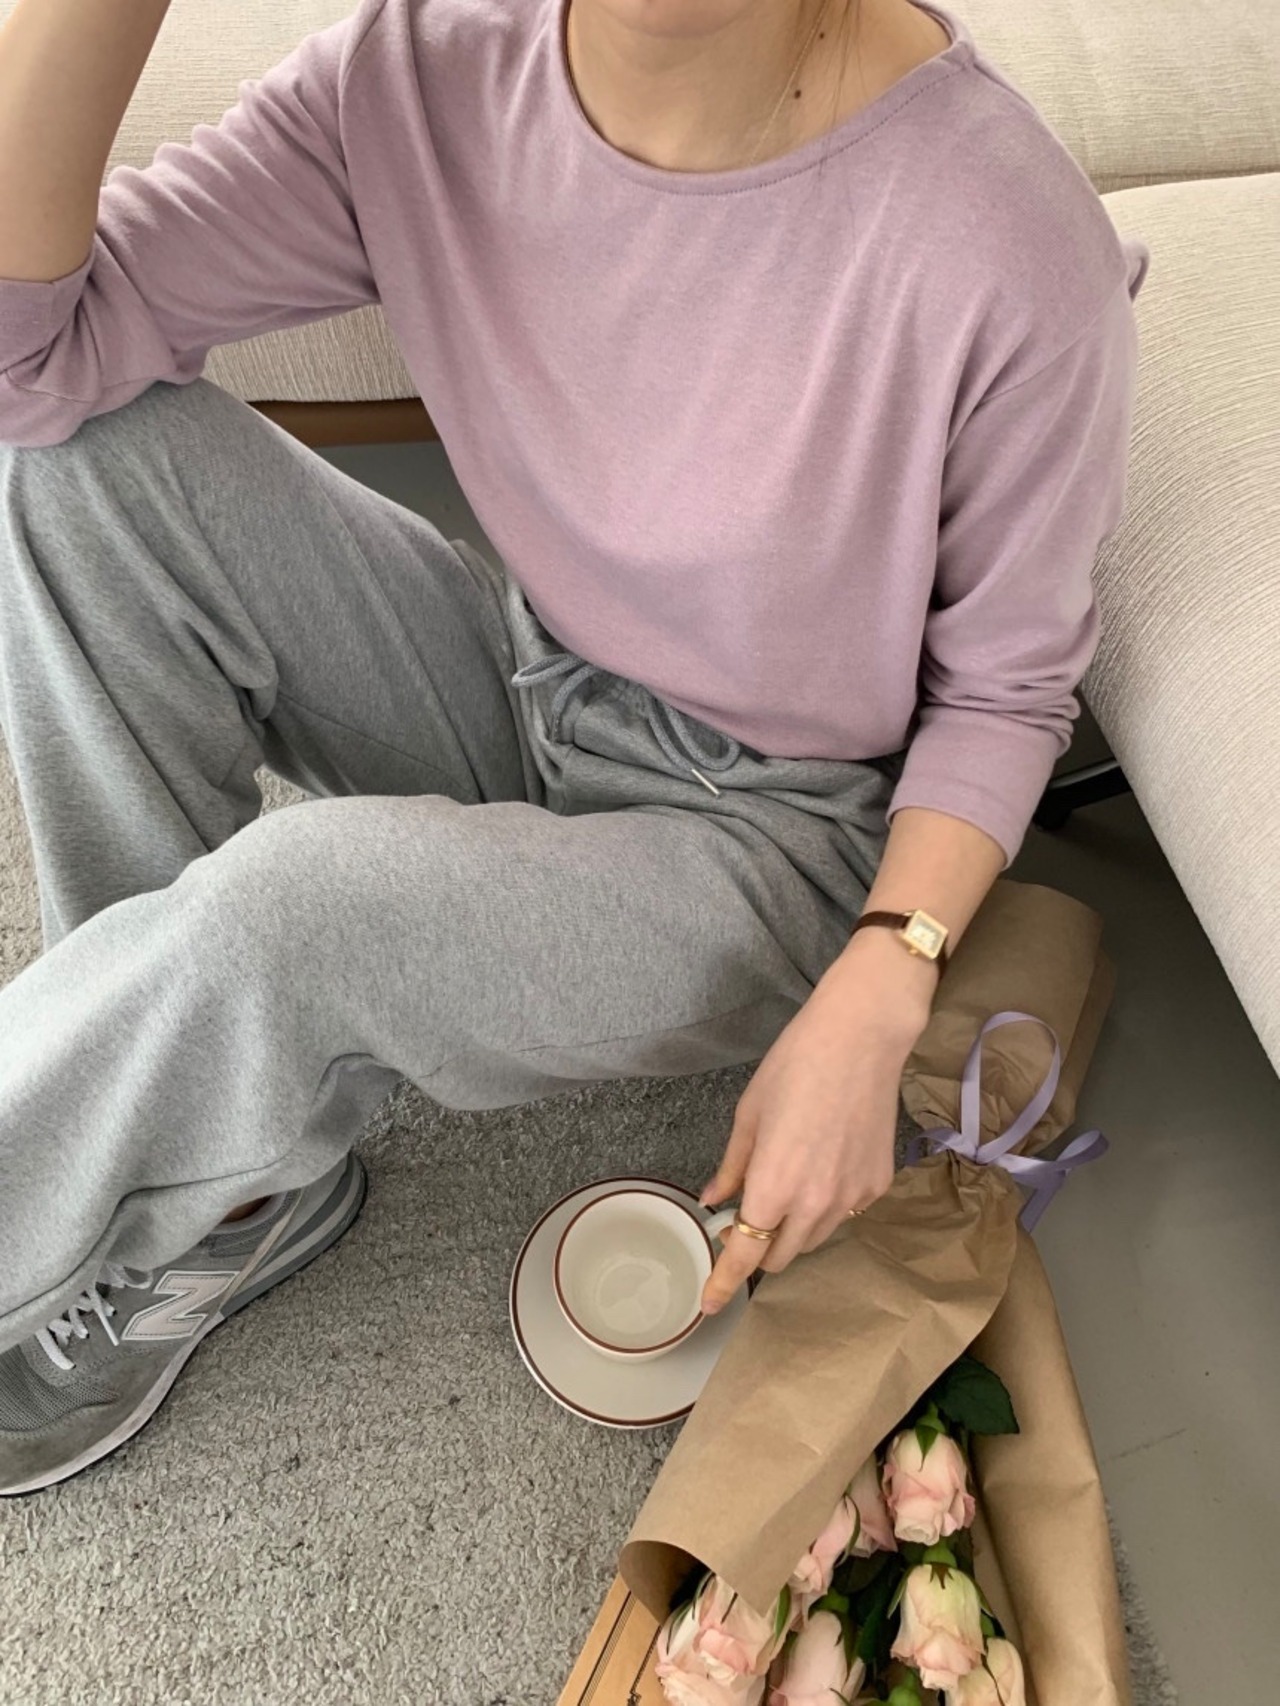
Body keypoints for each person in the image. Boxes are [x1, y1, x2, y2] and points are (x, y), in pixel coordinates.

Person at [0, 0, 1148, 1498]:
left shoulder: (1000, 230)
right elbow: (31, 360)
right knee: (70, 461)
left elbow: (1006, 691)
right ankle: (200, 1182)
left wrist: (887, 973)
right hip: (531, 673)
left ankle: (136, 1123)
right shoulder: (423, 73)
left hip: (770, 837)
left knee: (295, 910)